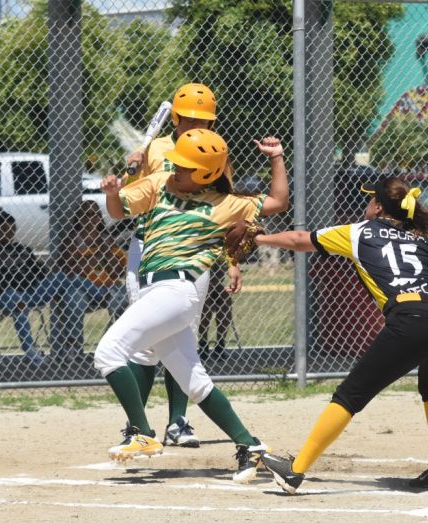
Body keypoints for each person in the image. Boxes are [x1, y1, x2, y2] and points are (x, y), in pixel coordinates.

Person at [251, 176, 428, 494]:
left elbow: (300, 240)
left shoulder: (360, 232)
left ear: (378, 207)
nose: (366, 204)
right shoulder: (427, 244)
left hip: (412, 320)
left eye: (371, 199)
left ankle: (294, 472)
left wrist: (260, 239)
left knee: (350, 395)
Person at [95, 128, 288, 484]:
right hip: (157, 293)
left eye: (185, 166)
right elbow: (119, 210)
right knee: (194, 382)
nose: (176, 169)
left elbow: (278, 201)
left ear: (206, 174)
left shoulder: (225, 203)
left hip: (176, 290)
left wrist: (276, 157)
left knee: (108, 353)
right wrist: (111, 193)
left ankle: (142, 432)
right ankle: (250, 446)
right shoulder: (160, 184)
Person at [120, 82, 232, 448]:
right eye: (191, 119)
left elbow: (225, 205)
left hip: (193, 250)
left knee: (185, 332)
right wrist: (131, 171)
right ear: (176, 118)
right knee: (144, 334)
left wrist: (232, 259)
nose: (199, 125)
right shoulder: (154, 148)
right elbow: (128, 198)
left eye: (206, 120)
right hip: (150, 247)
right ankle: (137, 427)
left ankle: (178, 422)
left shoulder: (216, 150)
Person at [0, 211, 85, 365]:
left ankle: (99, 297)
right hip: (6, 295)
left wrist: (52, 278)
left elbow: (41, 274)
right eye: (3, 229)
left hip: (31, 293)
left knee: (65, 277)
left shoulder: (23, 250)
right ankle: (31, 352)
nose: (8, 233)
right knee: (17, 301)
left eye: (11, 229)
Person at [197, 259, 233, 359]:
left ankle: (220, 345)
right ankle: (203, 344)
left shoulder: (219, 253)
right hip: (197, 285)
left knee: (225, 299)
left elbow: (221, 273)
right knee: (206, 301)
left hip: (215, 284)